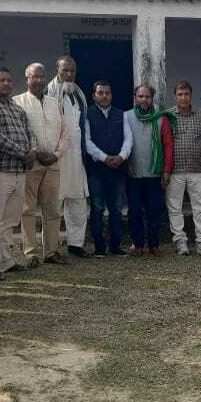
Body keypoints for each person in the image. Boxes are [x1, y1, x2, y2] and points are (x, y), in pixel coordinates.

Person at [0, 68, 36, 278]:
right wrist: (23, 152)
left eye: (9, 80)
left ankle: (6, 261)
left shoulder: (16, 107)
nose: (6, 83)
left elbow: (30, 132)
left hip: (19, 171)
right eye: (1, 80)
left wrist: (33, 149)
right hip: (0, 170)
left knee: (10, 220)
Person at [14, 63, 66, 266]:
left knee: (52, 210)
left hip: (52, 164)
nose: (39, 80)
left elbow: (65, 132)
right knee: (27, 210)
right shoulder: (17, 102)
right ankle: (31, 253)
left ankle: (51, 251)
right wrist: (35, 152)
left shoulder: (55, 103)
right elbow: (19, 133)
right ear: (27, 78)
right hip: (31, 164)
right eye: (34, 76)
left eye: (42, 76)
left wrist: (56, 155)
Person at [47, 56, 90, 258]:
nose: (69, 74)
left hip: (77, 156)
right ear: (57, 69)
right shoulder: (48, 93)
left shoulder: (78, 93)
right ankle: (51, 248)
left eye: (72, 71)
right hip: (57, 156)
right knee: (54, 202)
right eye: (65, 70)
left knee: (78, 201)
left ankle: (75, 244)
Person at [124, 85, 175, 255]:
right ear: (135, 98)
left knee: (154, 211)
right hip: (134, 173)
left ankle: (154, 244)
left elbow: (168, 145)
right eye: (140, 96)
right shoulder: (126, 117)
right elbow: (122, 144)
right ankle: (137, 244)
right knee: (135, 211)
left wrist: (166, 171)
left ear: (152, 98)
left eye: (147, 96)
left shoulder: (161, 118)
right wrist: (127, 166)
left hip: (155, 173)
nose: (144, 100)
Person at [84, 81, 132, 257]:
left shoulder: (121, 114)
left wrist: (121, 157)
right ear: (94, 95)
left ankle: (115, 246)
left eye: (107, 93)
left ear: (111, 95)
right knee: (97, 208)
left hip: (118, 170)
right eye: (100, 93)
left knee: (116, 209)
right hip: (96, 170)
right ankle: (99, 247)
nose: (104, 96)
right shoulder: (87, 114)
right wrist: (104, 158)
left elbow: (128, 139)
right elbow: (86, 141)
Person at [166, 81, 201, 256]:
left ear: (191, 95)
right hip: (175, 170)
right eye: (180, 94)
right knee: (175, 208)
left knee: (200, 208)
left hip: (198, 169)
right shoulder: (168, 116)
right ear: (175, 96)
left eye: (186, 94)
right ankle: (180, 241)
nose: (183, 97)